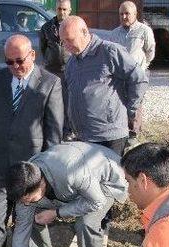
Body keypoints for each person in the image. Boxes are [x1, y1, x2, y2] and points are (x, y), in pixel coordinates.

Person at [0, 141, 128, 247]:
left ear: (41, 183)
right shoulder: (27, 180)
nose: (26, 202)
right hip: (74, 186)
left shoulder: (70, 173)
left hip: (105, 181)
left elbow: (96, 202)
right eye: (23, 200)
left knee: (86, 223)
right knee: (30, 213)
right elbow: (22, 225)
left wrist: (57, 213)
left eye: (29, 198)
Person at [0, 34, 63, 247]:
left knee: (26, 211)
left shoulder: (50, 83)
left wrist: (48, 167)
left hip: (31, 164)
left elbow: (54, 130)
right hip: (0, 158)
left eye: (19, 61)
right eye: (9, 62)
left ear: (32, 55)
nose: (15, 67)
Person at [60, 15, 148, 156]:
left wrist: (131, 109)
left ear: (84, 32)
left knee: (110, 177)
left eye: (69, 40)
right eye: (63, 42)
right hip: (82, 137)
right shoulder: (71, 63)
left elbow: (138, 78)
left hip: (110, 137)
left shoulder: (109, 51)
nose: (66, 46)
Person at [109, 1, 155, 143]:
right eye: (121, 14)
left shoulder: (144, 30)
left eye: (127, 13)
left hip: (137, 77)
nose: (124, 16)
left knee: (135, 104)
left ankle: (133, 134)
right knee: (120, 102)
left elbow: (150, 51)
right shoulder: (114, 33)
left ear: (135, 14)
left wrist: (141, 68)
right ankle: (122, 130)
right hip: (120, 76)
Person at [39, 0, 73, 139]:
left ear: (69, 10)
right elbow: (43, 48)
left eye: (65, 9)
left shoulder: (74, 26)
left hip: (69, 70)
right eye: (59, 9)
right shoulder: (47, 27)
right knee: (51, 101)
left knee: (68, 102)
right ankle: (52, 130)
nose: (62, 12)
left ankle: (68, 131)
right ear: (56, 9)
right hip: (51, 71)